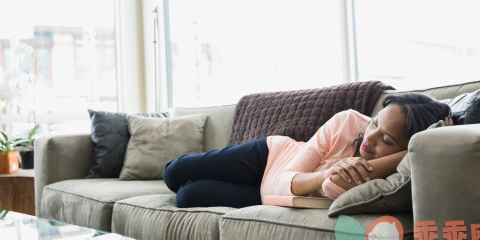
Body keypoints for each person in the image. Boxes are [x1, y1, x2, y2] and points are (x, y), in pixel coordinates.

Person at [163, 93, 452, 208]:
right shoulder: (348, 122)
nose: (369, 138)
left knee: (188, 195)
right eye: (375, 122)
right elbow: (284, 175)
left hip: (273, 196)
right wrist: (327, 170)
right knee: (174, 172)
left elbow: (333, 185)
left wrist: (421, 147)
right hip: (271, 158)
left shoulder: (380, 176)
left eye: (386, 140)